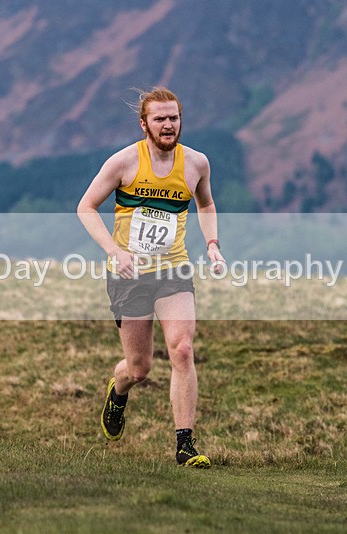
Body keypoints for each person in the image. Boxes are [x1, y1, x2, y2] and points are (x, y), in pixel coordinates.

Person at [77, 87, 225, 468]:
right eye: (159, 118)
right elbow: (86, 207)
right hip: (129, 275)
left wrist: (211, 243)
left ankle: (185, 445)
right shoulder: (124, 162)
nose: (168, 124)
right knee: (140, 368)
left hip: (173, 269)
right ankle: (118, 389)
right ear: (144, 124)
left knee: (182, 349)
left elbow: (205, 203)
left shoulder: (196, 163)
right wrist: (114, 251)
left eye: (173, 117)